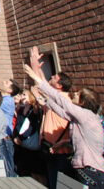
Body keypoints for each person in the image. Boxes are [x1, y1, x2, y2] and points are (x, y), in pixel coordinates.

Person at [25, 63, 104, 188]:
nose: (74, 94)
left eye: (78, 94)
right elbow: (60, 110)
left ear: (82, 102)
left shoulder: (86, 115)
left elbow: (62, 102)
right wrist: (43, 98)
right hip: (87, 170)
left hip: (92, 172)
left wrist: (38, 80)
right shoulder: (81, 118)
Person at [30, 46, 75, 188]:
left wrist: (35, 68)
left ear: (60, 85)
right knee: (51, 181)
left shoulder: (63, 99)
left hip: (60, 151)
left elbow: (41, 84)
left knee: (58, 183)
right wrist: (37, 68)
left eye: (55, 77)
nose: (51, 77)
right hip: (49, 148)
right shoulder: (54, 96)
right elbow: (44, 84)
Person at [13, 89, 43, 178]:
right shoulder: (21, 110)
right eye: (22, 95)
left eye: (24, 95)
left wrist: (21, 138)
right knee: (22, 169)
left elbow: (31, 126)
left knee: (34, 171)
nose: (22, 97)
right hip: (20, 144)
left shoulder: (33, 110)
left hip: (29, 142)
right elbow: (19, 125)